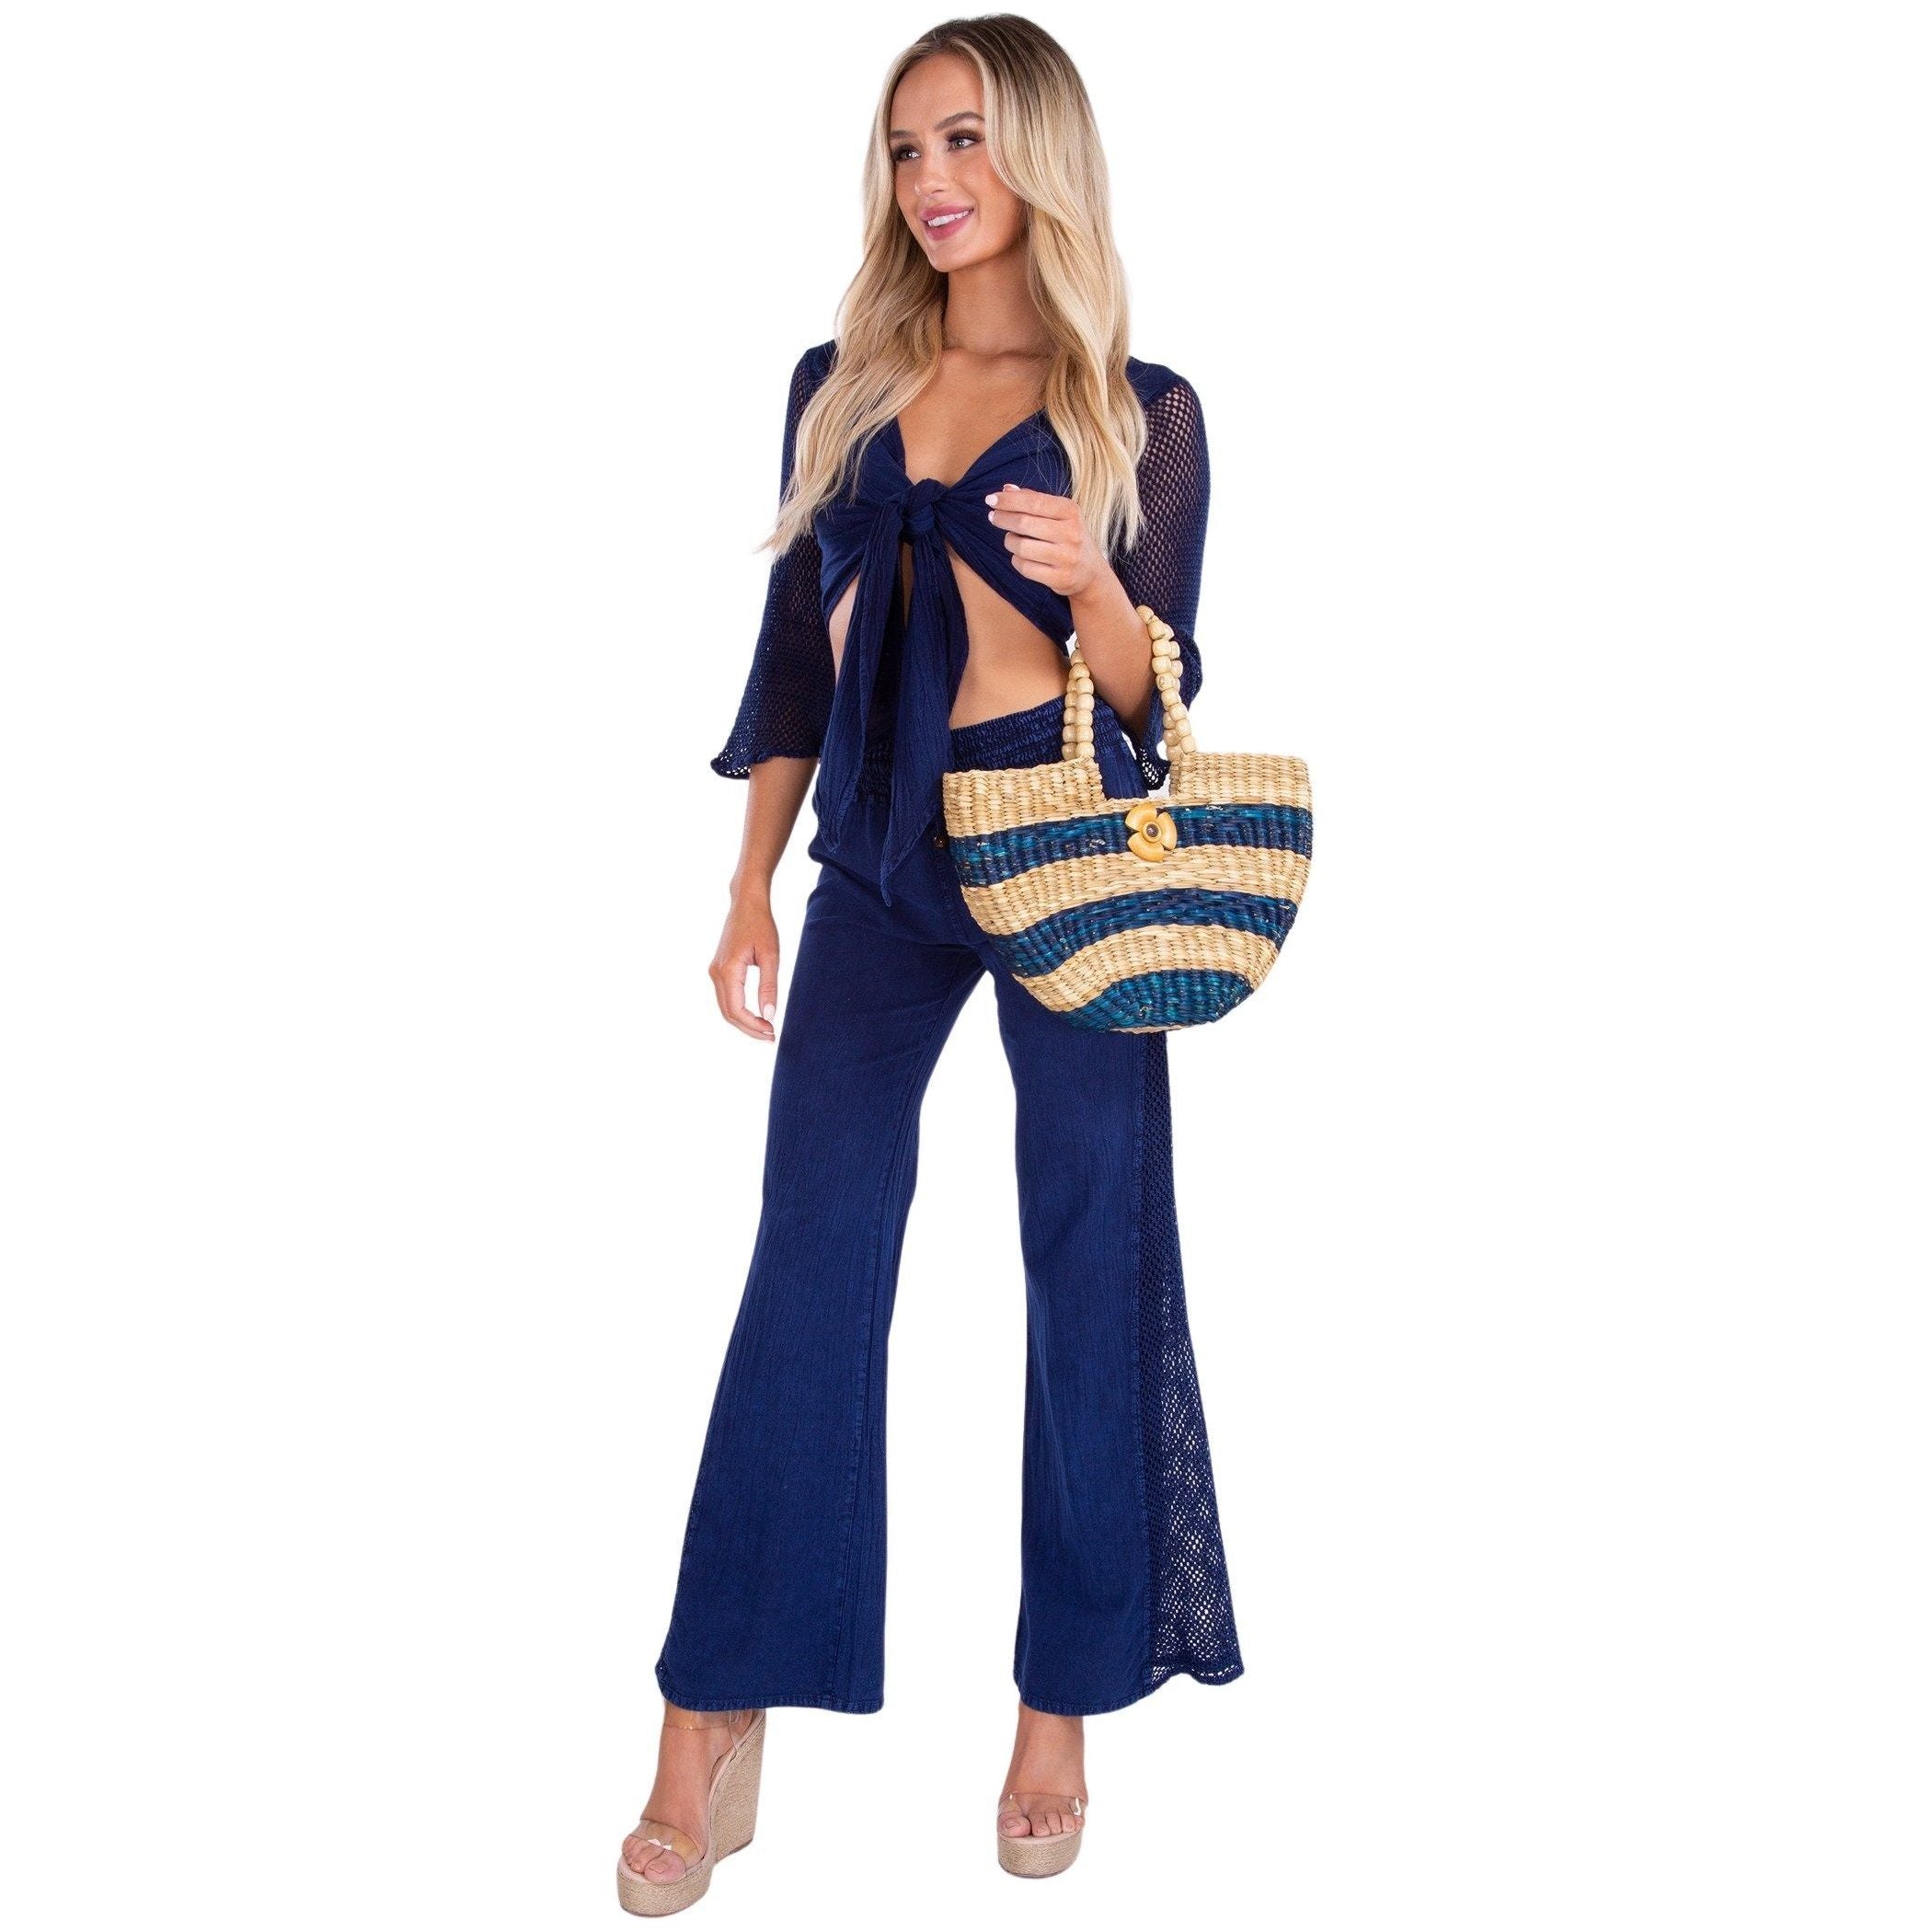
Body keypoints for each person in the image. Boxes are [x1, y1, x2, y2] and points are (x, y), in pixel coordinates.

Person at [618, 17, 1243, 1913]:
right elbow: (789, 661)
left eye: (965, 139)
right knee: (811, 1254)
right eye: (907, 150)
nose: (934, 181)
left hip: (1069, 860)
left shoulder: (1141, 407)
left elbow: (1160, 697)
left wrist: (1098, 585)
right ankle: (713, 1708)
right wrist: (750, 882)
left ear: (1037, 152)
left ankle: (1063, 1704)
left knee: (1092, 1251)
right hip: (878, 863)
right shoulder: (844, 383)